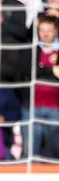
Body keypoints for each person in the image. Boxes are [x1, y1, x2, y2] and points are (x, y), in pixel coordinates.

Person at [29, 14, 59, 158]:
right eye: (42, 30)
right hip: (34, 106)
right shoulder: (33, 50)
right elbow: (28, 70)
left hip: (55, 107)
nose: (45, 34)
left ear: (56, 31)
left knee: (52, 148)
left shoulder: (57, 51)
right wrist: (51, 70)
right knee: (32, 148)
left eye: (49, 30)